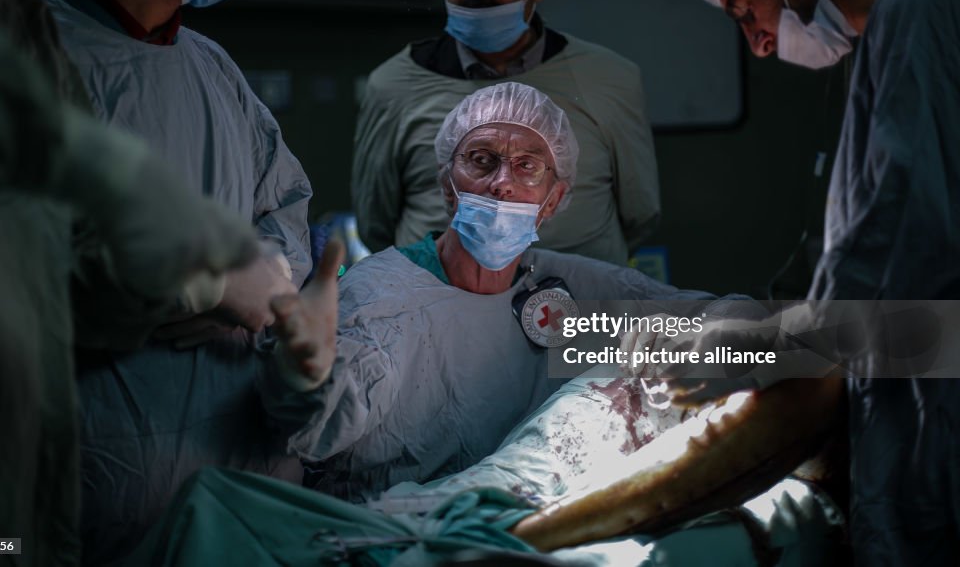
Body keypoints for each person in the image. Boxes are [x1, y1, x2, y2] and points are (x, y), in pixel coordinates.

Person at [0, 0, 267, 563]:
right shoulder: (12, 47)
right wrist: (193, 276)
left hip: (29, 482)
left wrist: (263, 279)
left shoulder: (14, 33)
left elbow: (39, 259)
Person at [269, 81, 740, 503]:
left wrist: (764, 336)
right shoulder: (379, 297)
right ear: (448, 186)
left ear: (553, 201)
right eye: (481, 160)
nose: (501, 184)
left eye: (527, 167)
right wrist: (302, 381)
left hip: (526, 533)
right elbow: (311, 435)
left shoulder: (576, 287)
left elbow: (733, 329)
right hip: (396, 536)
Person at [678, 0, 960, 563]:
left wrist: (770, 342)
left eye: (748, 11)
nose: (761, 45)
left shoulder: (924, 2)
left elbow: (898, 242)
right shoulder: (913, 11)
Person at [37, 0, 317, 560]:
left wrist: (271, 269)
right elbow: (14, 267)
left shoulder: (210, 66)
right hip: (95, 468)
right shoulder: (34, 58)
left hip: (240, 466)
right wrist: (198, 278)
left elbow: (284, 203)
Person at [352, 0, 660, 267]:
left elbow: (640, 214)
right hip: (439, 311)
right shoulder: (395, 84)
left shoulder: (609, 78)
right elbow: (375, 223)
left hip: (576, 306)